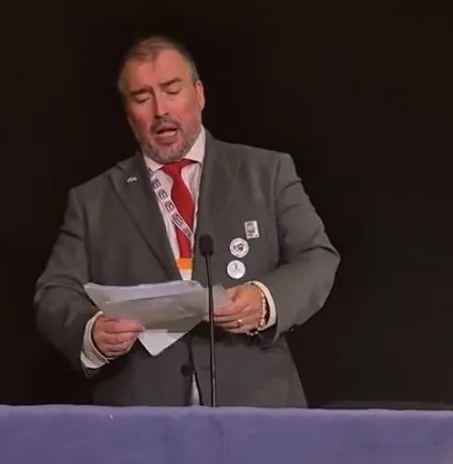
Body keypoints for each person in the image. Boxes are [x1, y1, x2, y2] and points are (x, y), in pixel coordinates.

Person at [34, 36, 339, 407]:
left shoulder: (266, 172)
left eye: (171, 90)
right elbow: (54, 292)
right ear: (128, 113)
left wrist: (265, 298)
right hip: (141, 414)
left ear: (199, 94)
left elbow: (317, 257)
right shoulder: (93, 201)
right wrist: (91, 331)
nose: (160, 109)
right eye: (142, 98)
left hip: (257, 405)